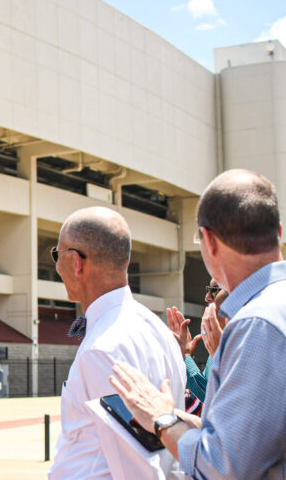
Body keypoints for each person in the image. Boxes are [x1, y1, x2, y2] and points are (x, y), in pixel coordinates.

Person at [111, 169, 286, 478]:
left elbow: (223, 467)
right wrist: (169, 415)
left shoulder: (256, 324)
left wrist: (161, 420)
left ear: (208, 240)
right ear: (279, 232)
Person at [48, 207, 186, 479]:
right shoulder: (155, 327)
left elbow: (136, 467)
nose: (57, 266)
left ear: (76, 262)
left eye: (57, 254)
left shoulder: (103, 348)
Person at [166, 281, 229, 402]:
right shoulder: (219, 342)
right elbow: (204, 395)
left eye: (215, 290)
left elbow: (211, 404)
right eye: (209, 289)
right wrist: (185, 356)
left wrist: (186, 356)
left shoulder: (250, 341)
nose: (207, 297)